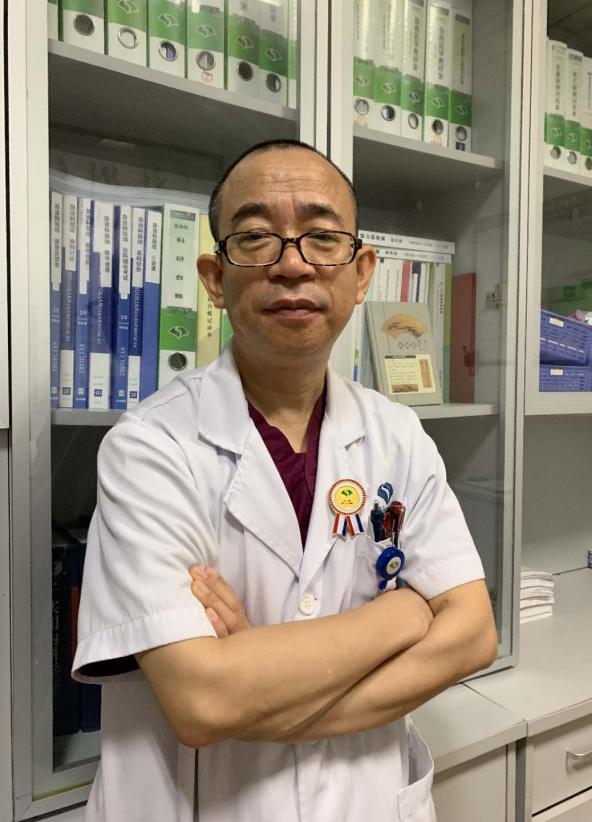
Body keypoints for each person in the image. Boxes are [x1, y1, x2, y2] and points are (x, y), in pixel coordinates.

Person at [72, 138, 498, 822]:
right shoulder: (148, 447)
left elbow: (474, 635)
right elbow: (204, 700)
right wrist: (403, 614)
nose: (293, 263)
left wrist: (258, 682)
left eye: (322, 238)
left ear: (361, 273)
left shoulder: (398, 436)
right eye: (255, 238)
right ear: (215, 278)